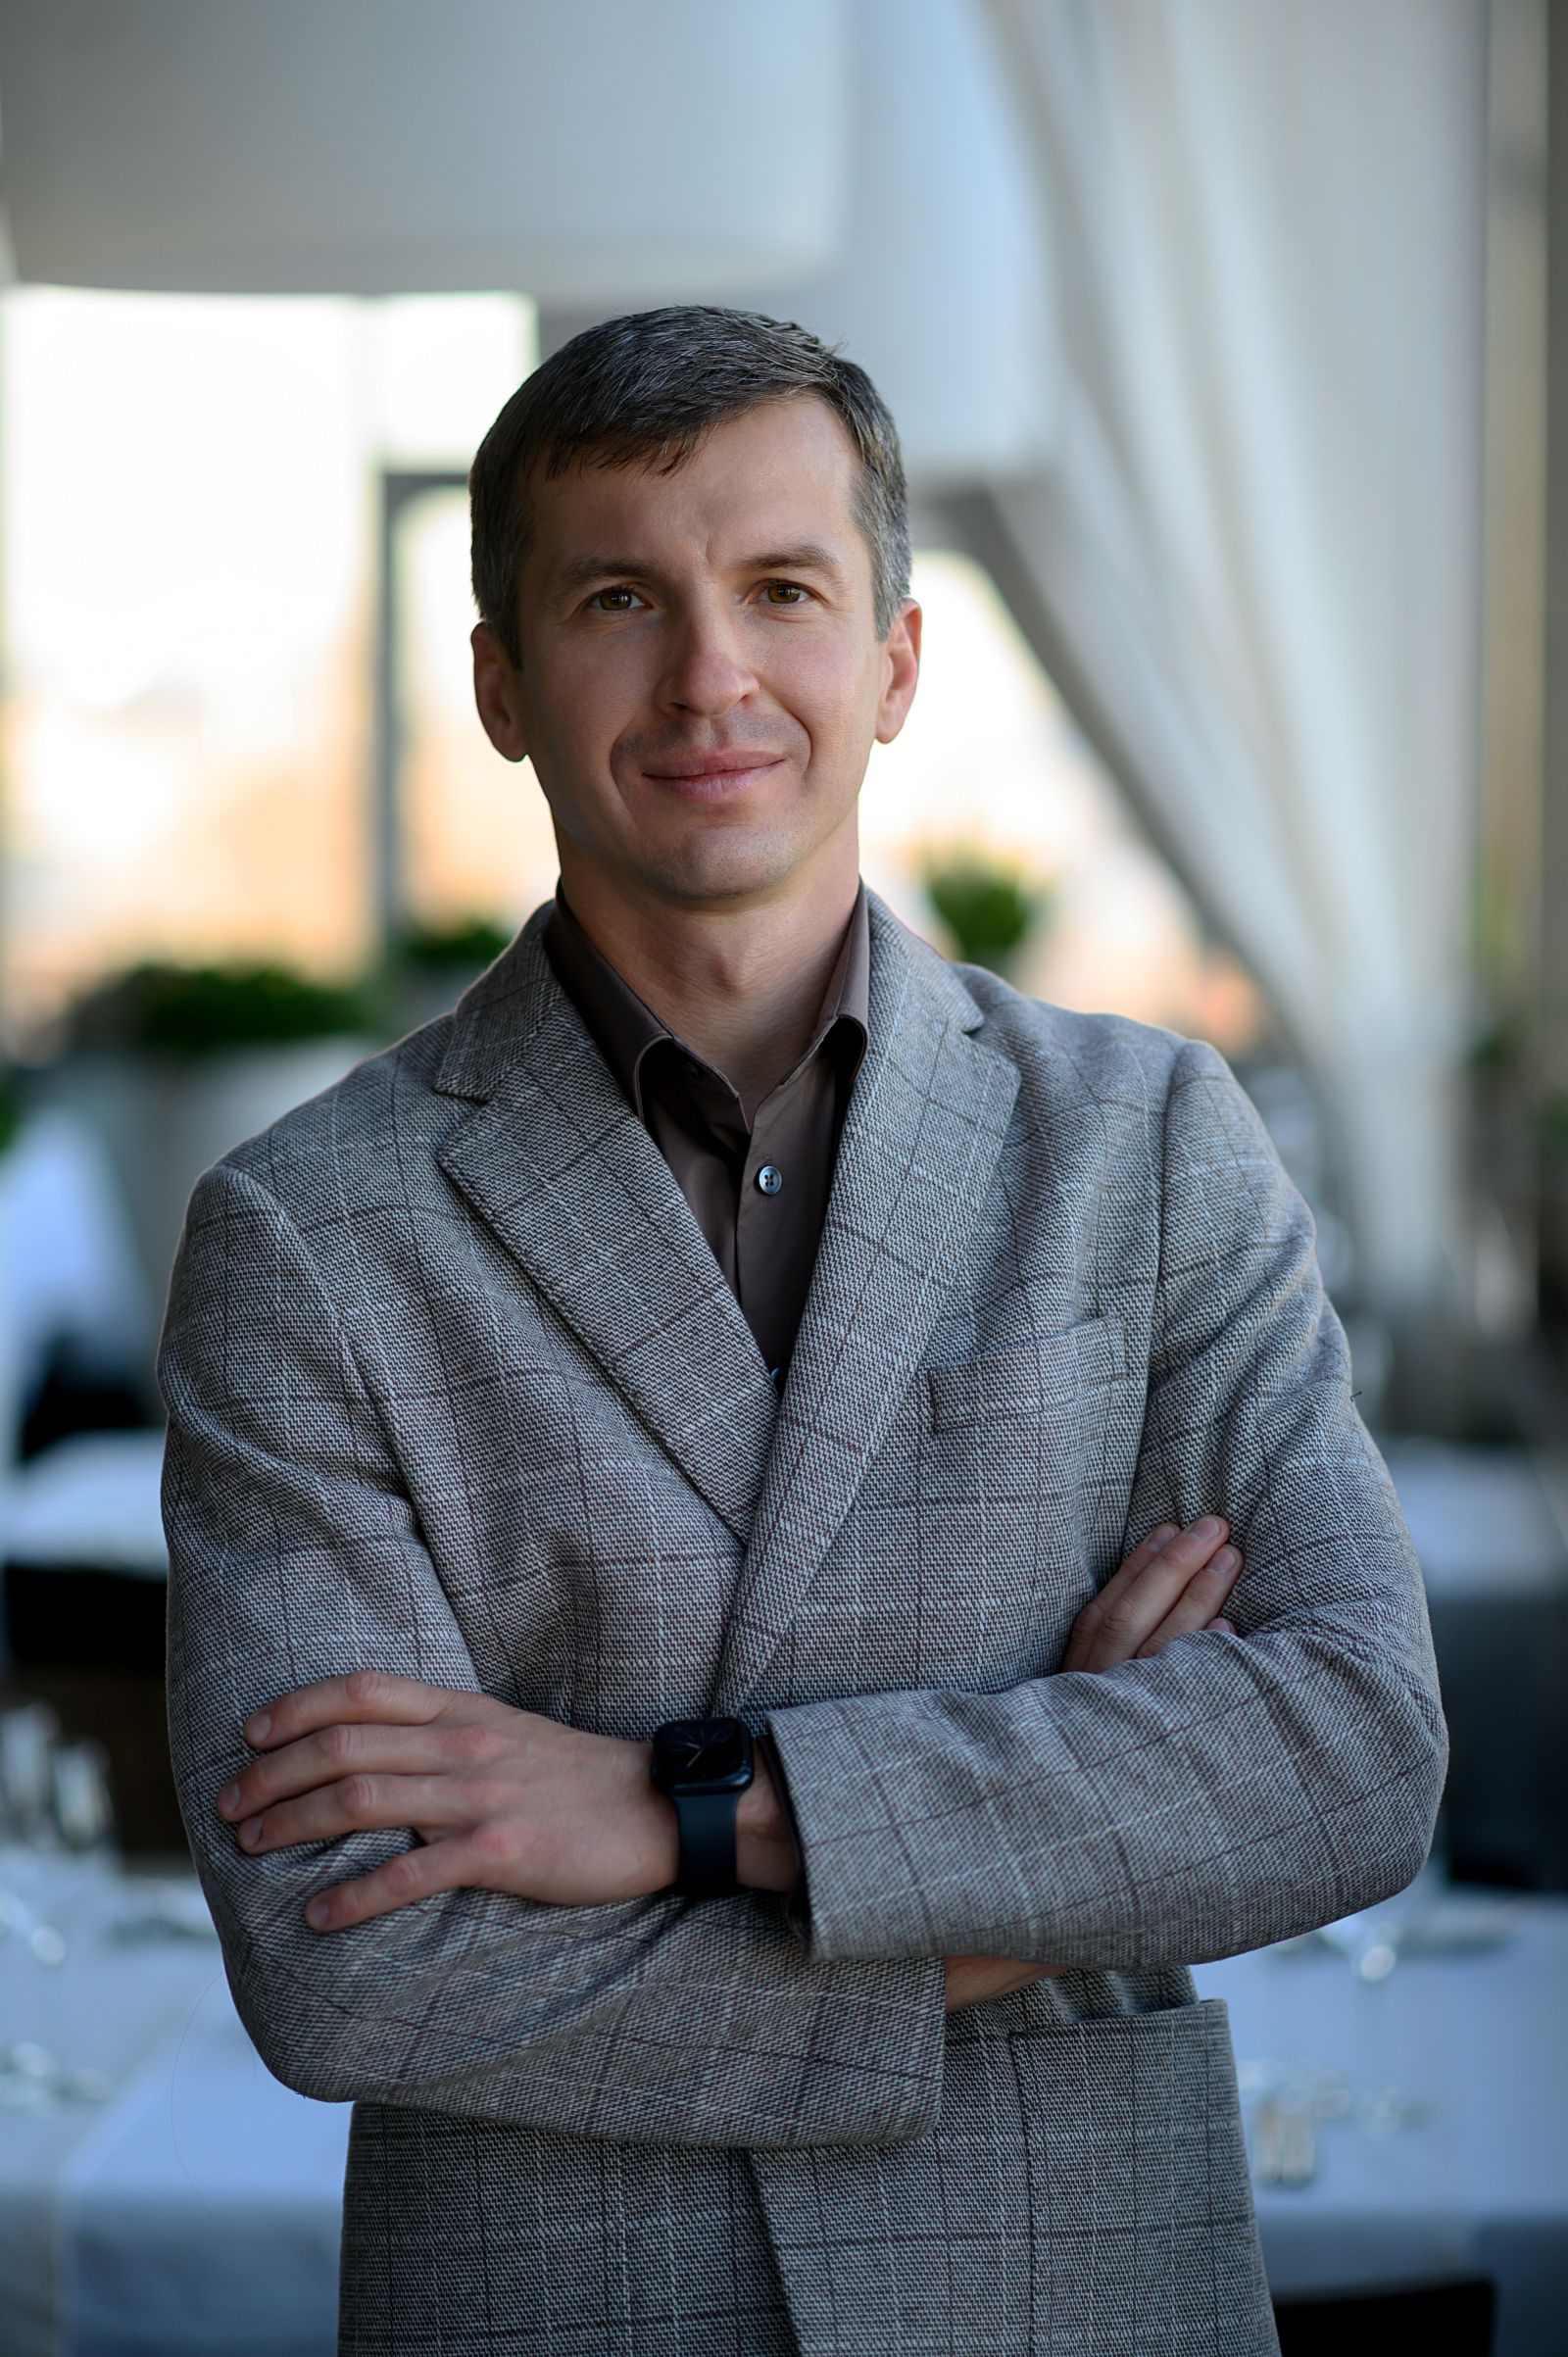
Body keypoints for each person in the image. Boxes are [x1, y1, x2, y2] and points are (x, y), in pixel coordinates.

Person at [158, 305, 1447, 2357]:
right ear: (499, 684)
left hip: (1073, 2292)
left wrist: (684, 1804)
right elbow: (345, 1967)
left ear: (897, 660)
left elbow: (1353, 1751)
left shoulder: (1145, 1142)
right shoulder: (303, 1237)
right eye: (617, 599)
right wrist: (1020, 1893)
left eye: (781, 588)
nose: (709, 676)